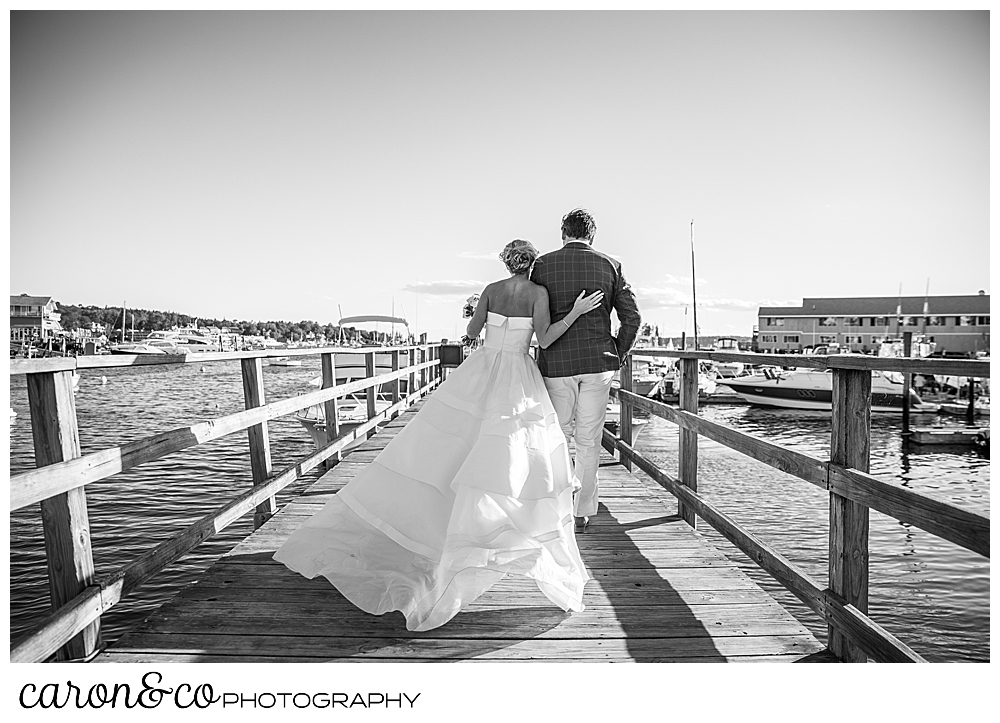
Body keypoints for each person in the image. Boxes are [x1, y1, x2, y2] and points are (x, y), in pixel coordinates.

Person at [273, 239, 604, 632]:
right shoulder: (538, 293)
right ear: (532, 264)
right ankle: (495, 525)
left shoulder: (491, 291)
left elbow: (472, 331)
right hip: (517, 374)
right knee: (508, 451)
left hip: (481, 369)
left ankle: (443, 524)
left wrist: (485, 325)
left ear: (505, 261)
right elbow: (546, 339)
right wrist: (578, 311)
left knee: (454, 440)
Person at [531, 208, 641, 531]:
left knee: (558, 435)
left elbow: (533, 315)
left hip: (557, 364)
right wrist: (616, 354)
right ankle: (582, 512)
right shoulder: (611, 266)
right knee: (590, 440)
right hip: (598, 363)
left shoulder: (543, 266)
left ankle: (559, 506)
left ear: (564, 232)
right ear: (591, 236)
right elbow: (633, 319)